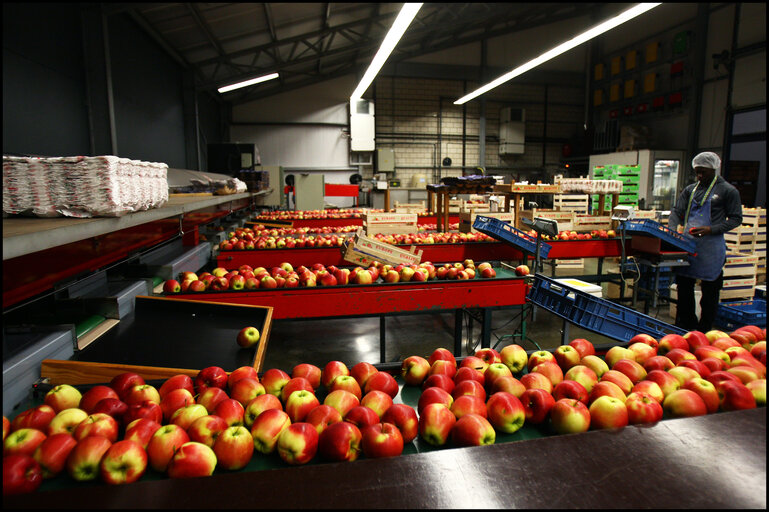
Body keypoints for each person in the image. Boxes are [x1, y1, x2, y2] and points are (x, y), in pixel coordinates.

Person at [668, 151, 743, 332]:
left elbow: (736, 219)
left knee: (710, 291)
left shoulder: (728, 191)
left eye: (704, 172)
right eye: (697, 172)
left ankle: (705, 328)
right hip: (688, 244)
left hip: (711, 247)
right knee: (684, 286)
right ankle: (686, 324)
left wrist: (711, 230)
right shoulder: (691, 190)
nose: (700, 176)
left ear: (714, 169)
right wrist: (671, 233)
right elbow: (677, 211)